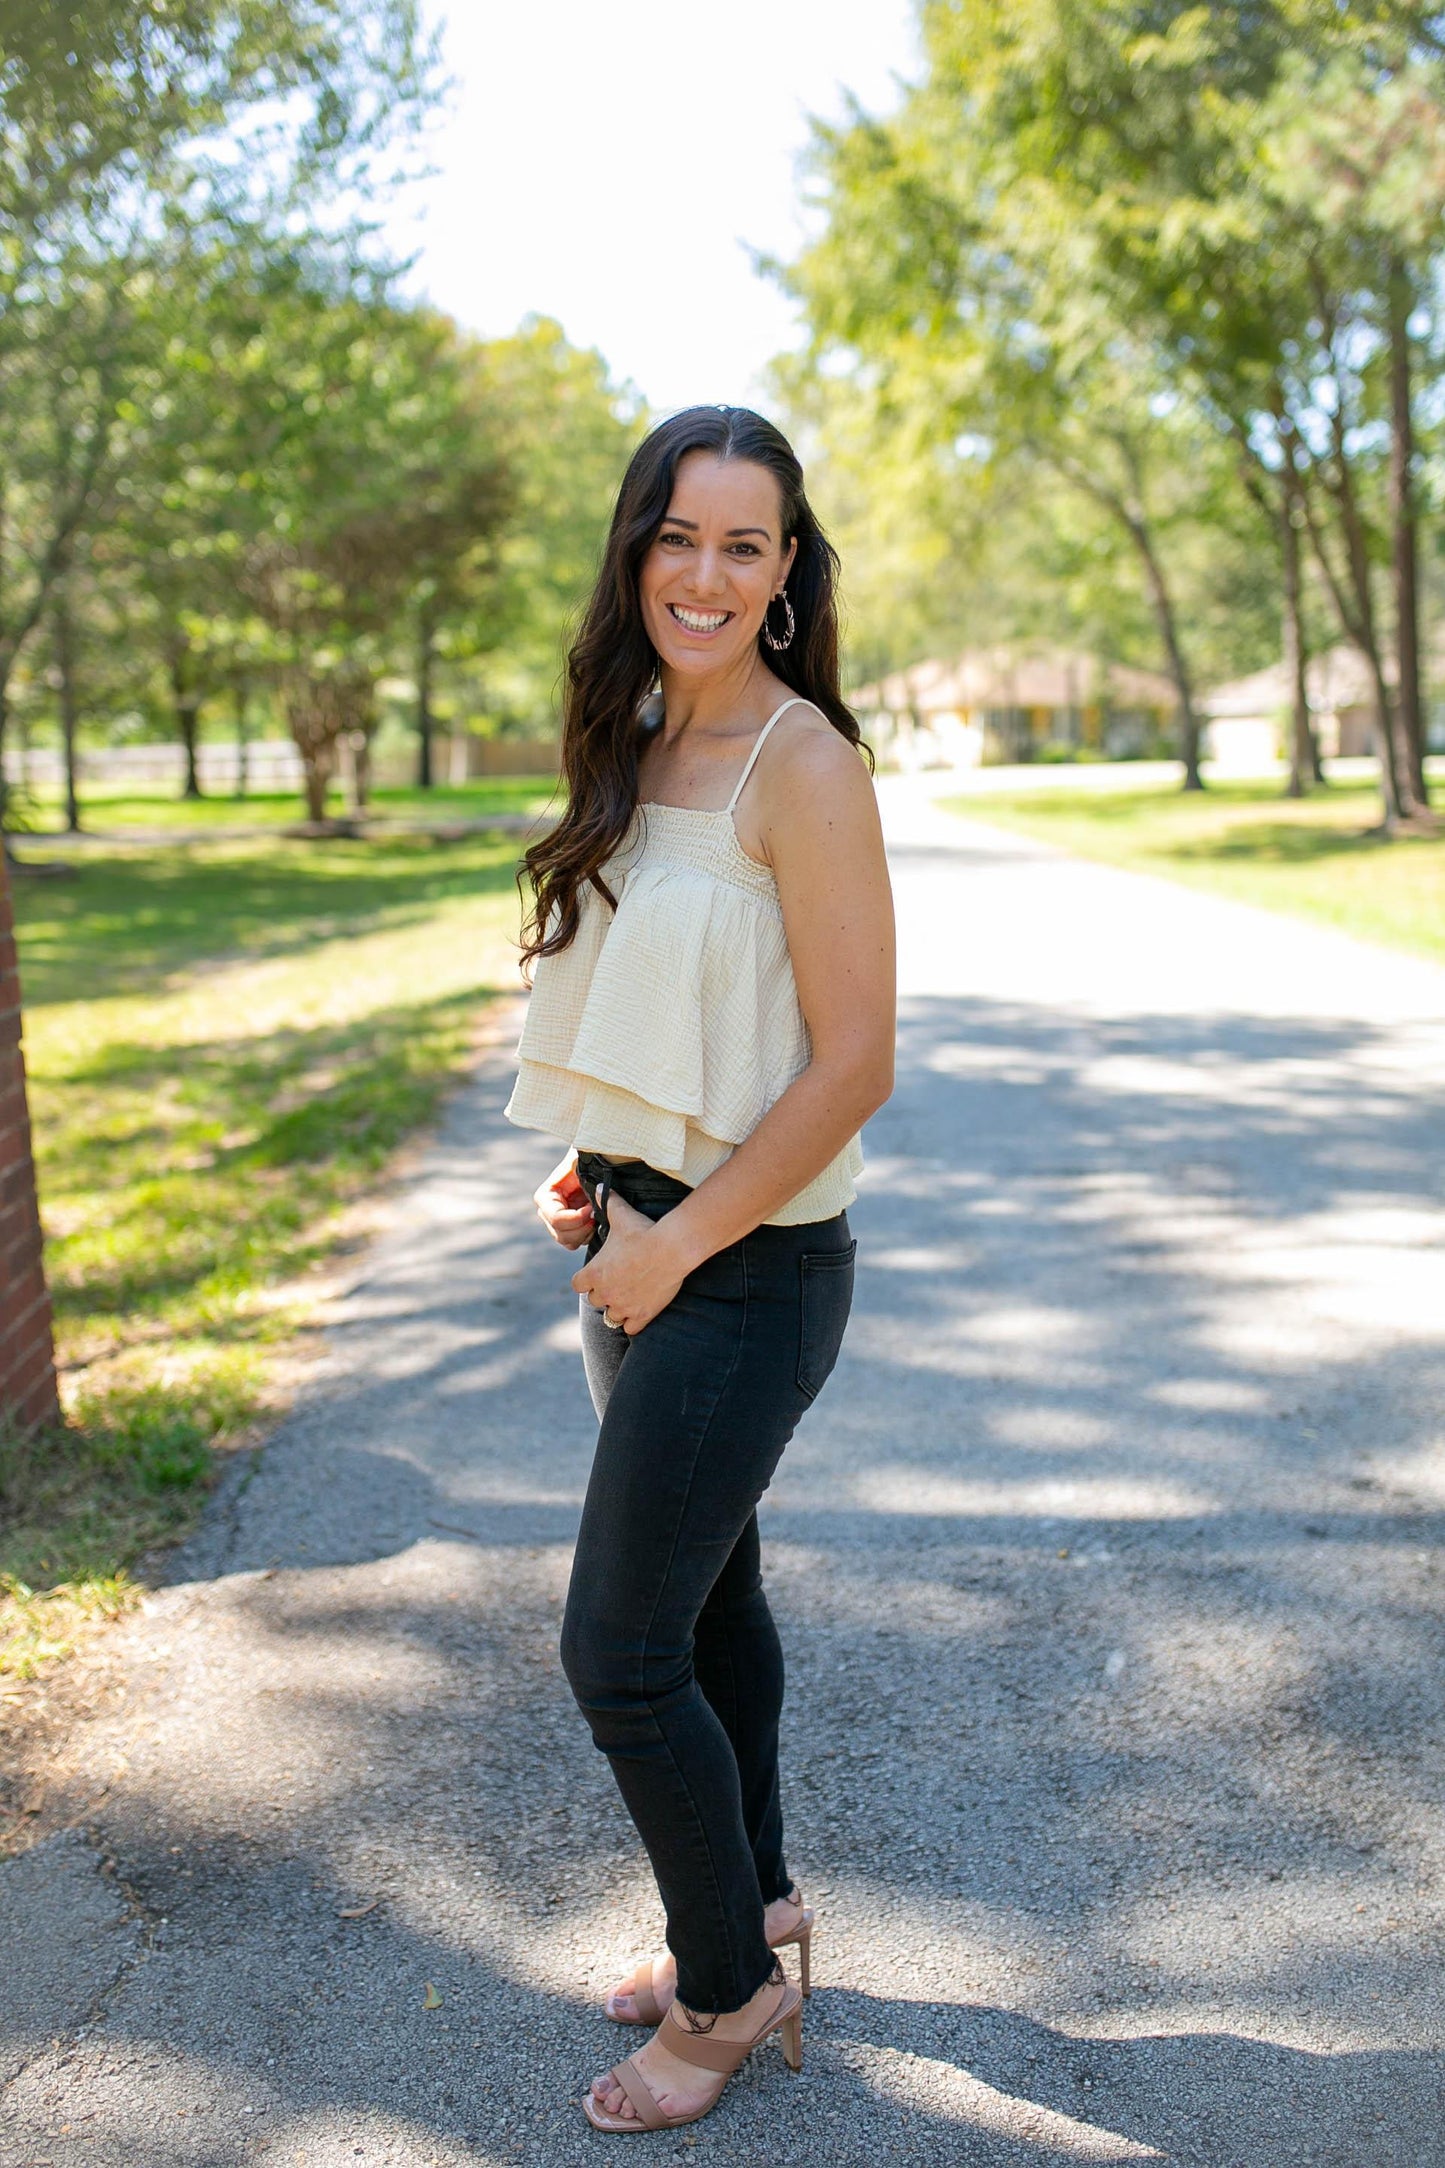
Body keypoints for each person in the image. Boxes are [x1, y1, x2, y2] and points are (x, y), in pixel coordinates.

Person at [505, 404, 896, 2135]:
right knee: (709, 1594)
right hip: (641, 1236)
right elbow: (664, 1011)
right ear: (636, 548)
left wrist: (679, 1245)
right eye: (681, 535)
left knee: (620, 1651)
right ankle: (763, 1904)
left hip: (743, 1264)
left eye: (748, 545)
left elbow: (853, 1061)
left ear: (789, 573)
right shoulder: (642, 731)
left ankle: (724, 1992)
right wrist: (593, 1172)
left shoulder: (800, 765)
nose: (708, 574)